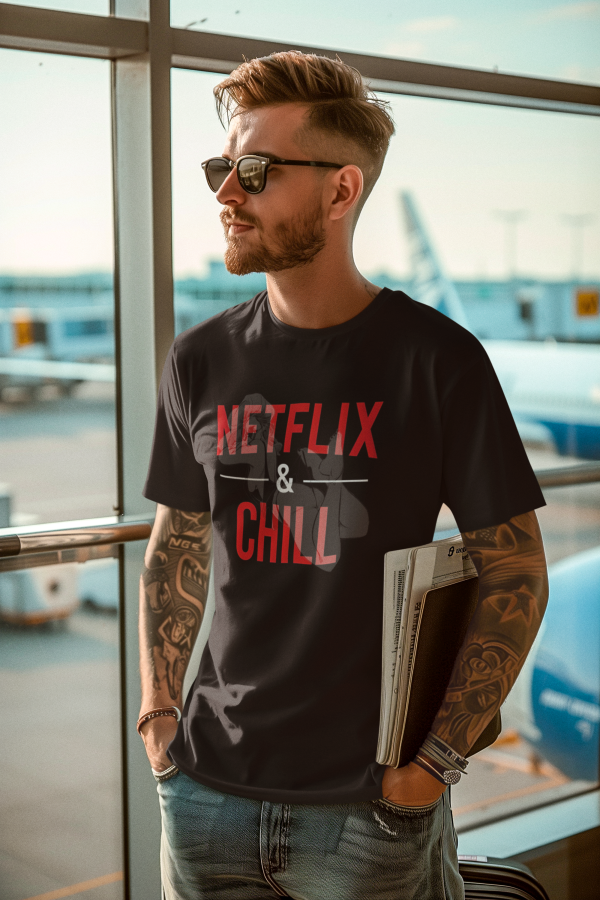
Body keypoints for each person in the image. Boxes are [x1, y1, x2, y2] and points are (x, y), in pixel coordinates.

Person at [138, 51, 548, 900]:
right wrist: (159, 723)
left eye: (254, 170)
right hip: (207, 795)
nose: (224, 192)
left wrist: (430, 769)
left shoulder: (437, 361)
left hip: (368, 809)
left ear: (340, 190)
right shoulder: (200, 359)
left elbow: (514, 569)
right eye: (222, 166)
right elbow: (174, 547)